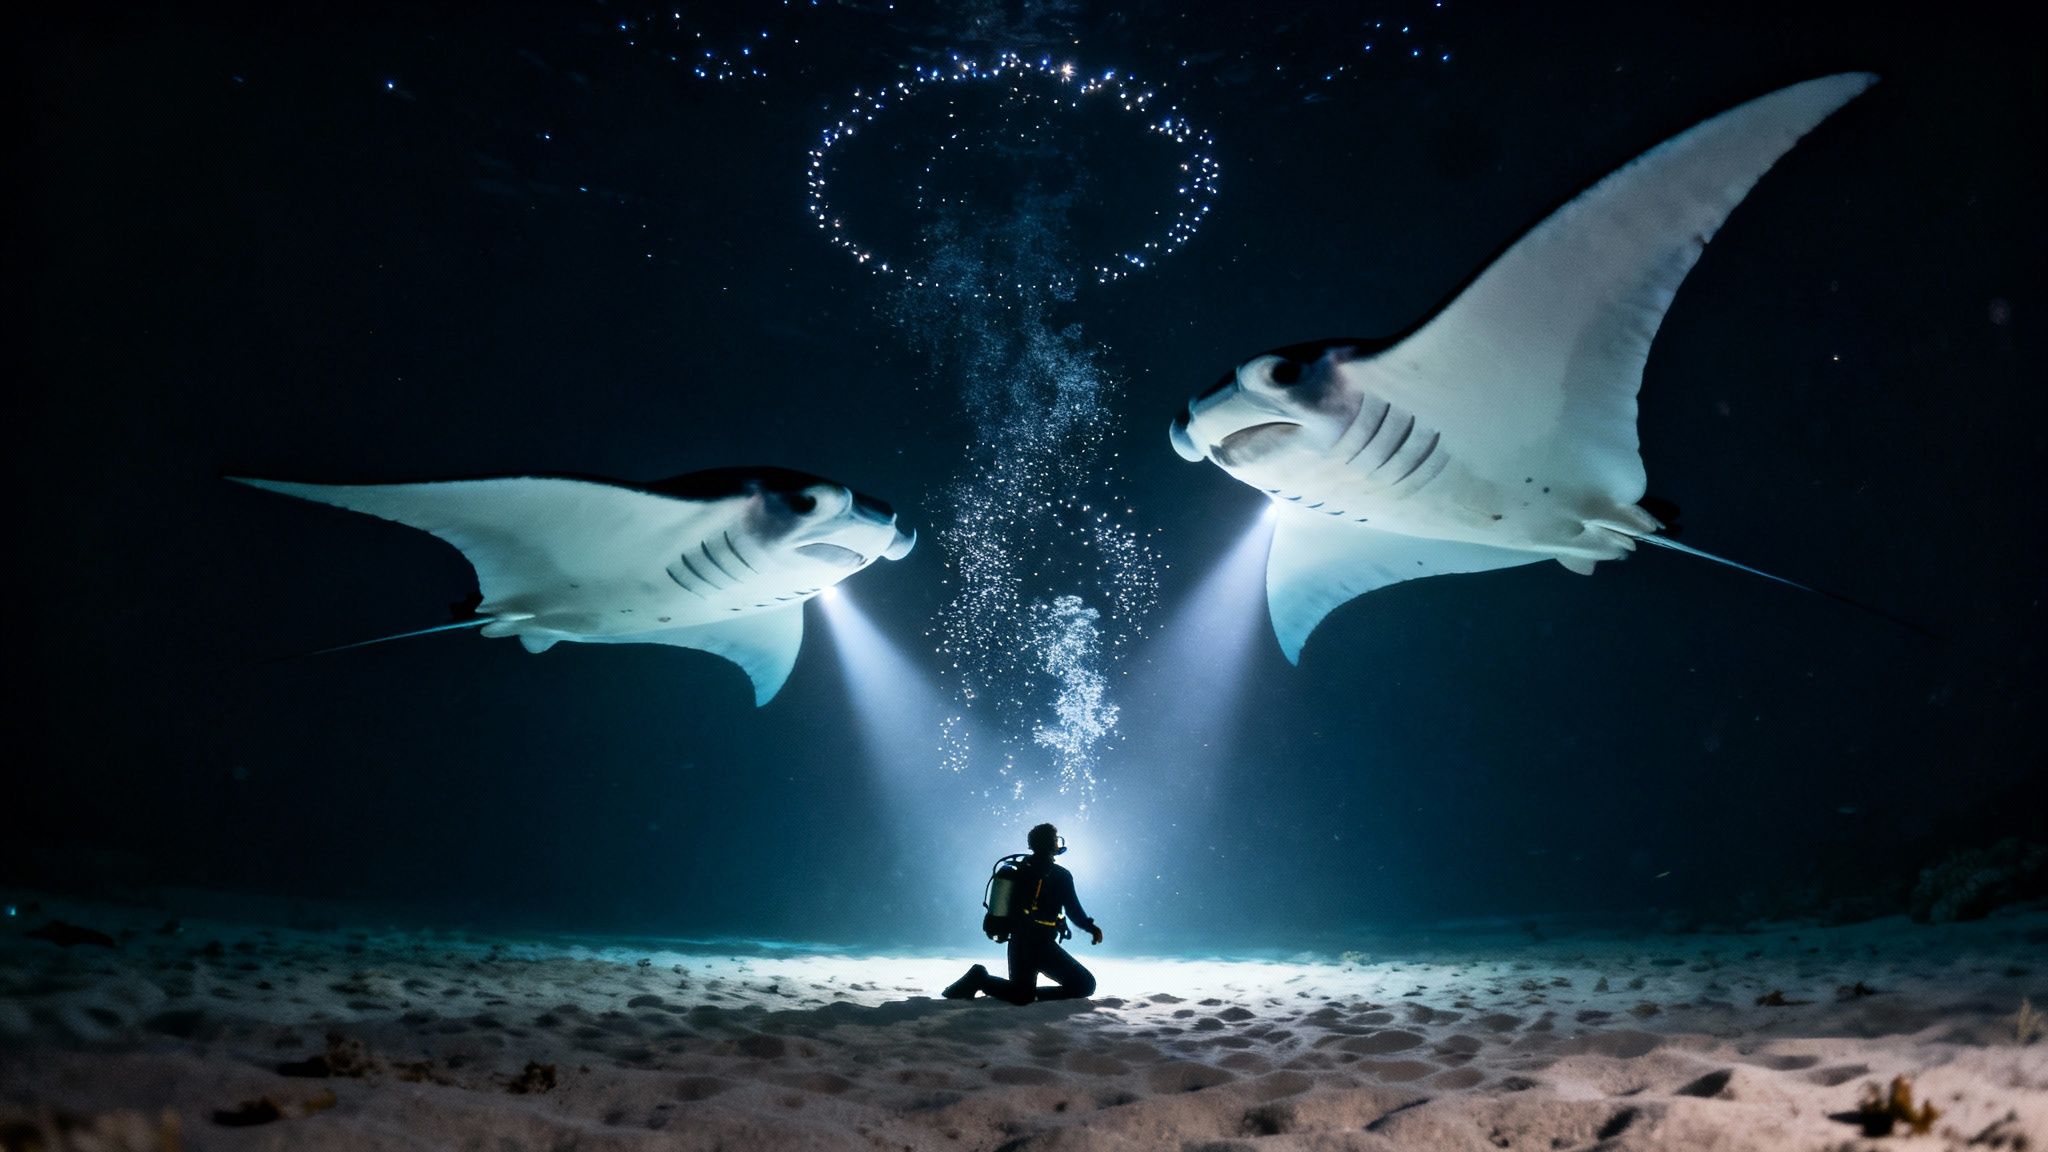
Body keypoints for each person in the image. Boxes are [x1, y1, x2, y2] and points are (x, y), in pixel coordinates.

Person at [943, 823, 1103, 1003]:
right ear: (1052, 844)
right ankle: (994, 983)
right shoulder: (1061, 875)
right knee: (1085, 985)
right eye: (1055, 840)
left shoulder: (1020, 869)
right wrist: (1091, 928)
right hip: (1042, 945)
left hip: (1019, 942)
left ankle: (981, 979)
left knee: (1021, 994)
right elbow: (1074, 911)